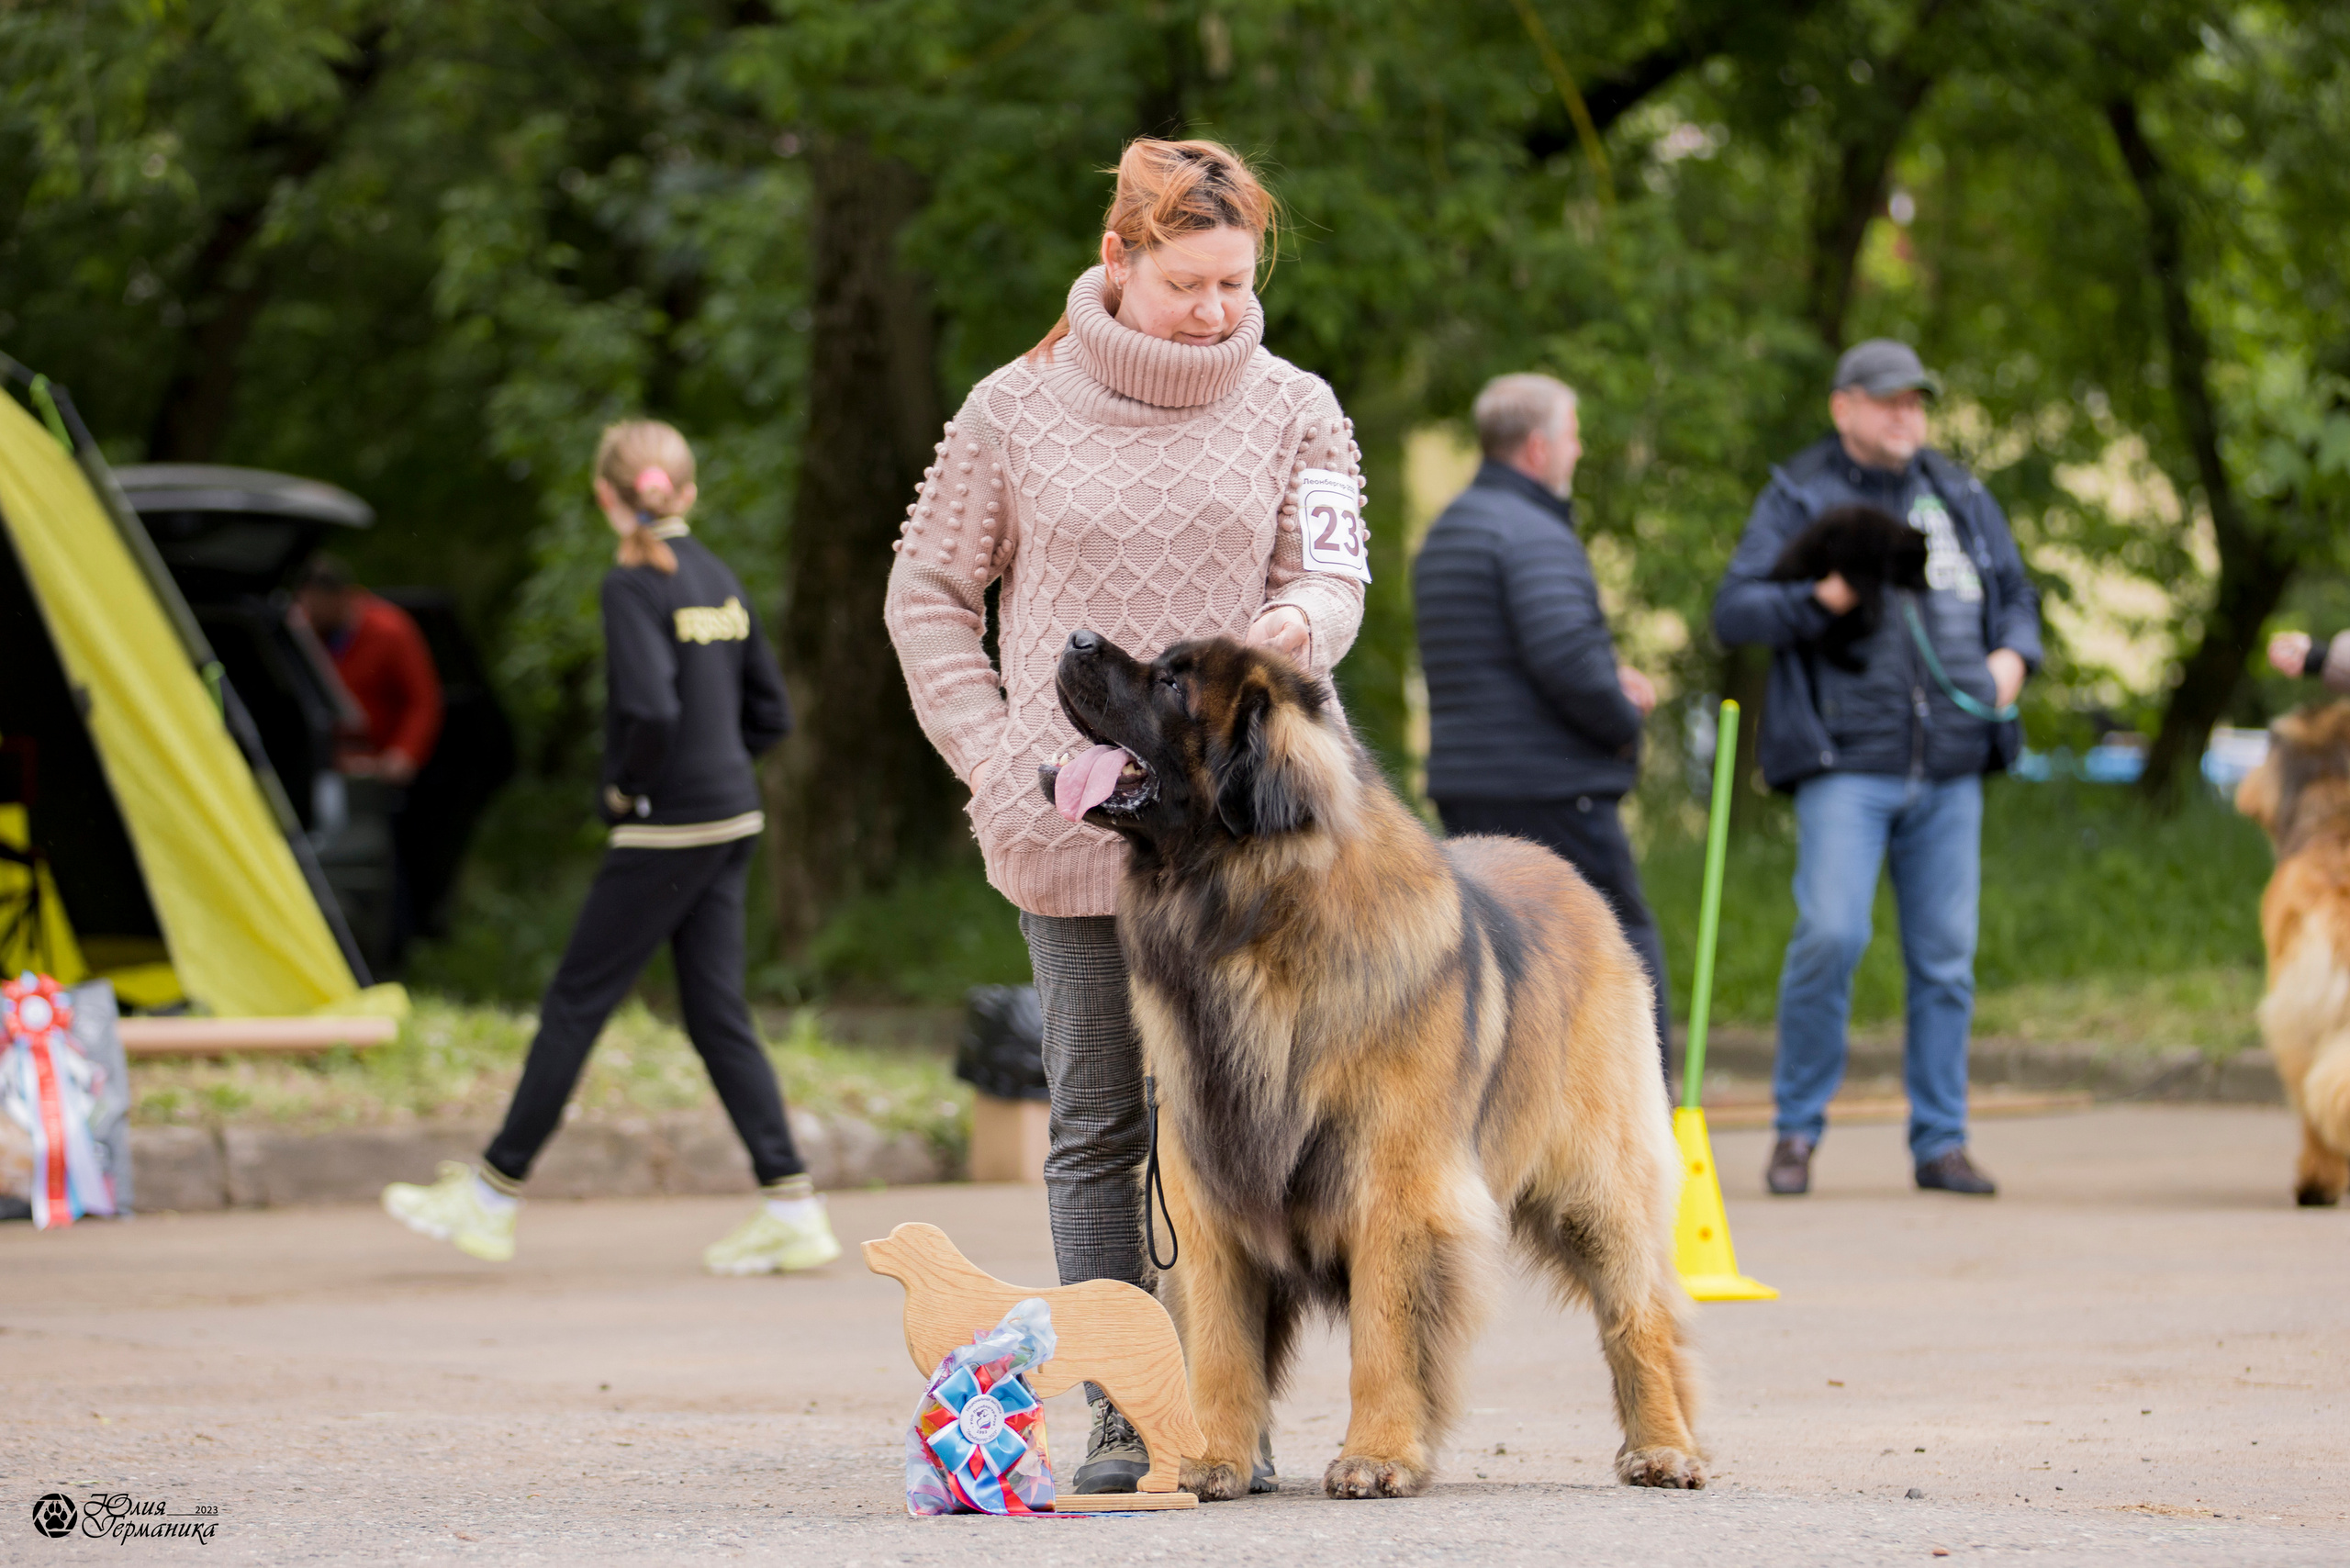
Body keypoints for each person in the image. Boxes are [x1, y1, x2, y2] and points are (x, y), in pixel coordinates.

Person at [885, 139, 1365, 1495]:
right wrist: (992, 754)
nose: (1214, 310)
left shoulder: (1299, 408)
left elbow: (1332, 578)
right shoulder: (1011, 410)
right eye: (1185, 284)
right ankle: (1124, 1411)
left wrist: (1297, 626)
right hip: (1076, 826)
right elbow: (926, 595)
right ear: (1119, 260)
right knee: (1099, 1122)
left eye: (1235, 284)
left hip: (1249, 839)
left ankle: (1230, 1408)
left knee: (1246, 1129)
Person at [381, 420, 830, 1275]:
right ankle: (793, 1207)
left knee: (575, 1003)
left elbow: (652, 710)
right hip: (733, 818)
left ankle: (490, 1196)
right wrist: (718, 768)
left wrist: (628, 789)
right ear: (687, 491)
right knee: (716, 1015)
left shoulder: (632, 584)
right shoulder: (718, 577)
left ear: (603, 494)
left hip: (668, 825)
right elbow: (771, 715)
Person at [1713, 339, 2041, 1199]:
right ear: (1844, 407)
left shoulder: (1959, 494)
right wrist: (1819, 599)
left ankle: (1941, 1142)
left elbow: (2018, 595)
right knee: (1831, 935)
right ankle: (1796, 1131)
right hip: (1845, 761)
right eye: (1889, 399)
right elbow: (1735, 609)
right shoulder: (1797, 496)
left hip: (1952, 763)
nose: (1907, 415)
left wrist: (2015, 659)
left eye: (1916, 401)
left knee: (1946, 960)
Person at [1414, 373, 1670, 1071]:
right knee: (1619, 946)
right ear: (1536, 447)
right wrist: (1624, 721)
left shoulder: (1451, 529)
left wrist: (1604, 675)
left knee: (1505, 966)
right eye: (1572, 436)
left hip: (1470, 784)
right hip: (1554, 789)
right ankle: (1641, 1107)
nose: (1577, 451)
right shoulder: (1533, 532)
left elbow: (1500, 655)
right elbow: (1568, 661)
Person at [295, 555, 443, 786]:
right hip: (328, 762)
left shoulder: (390, 631)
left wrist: (404, 753)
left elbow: (423, 700)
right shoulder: (303, 631)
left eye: (315, 608)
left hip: (380, 765)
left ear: (341, 596)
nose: (309, 615)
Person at [2267, 631, 2350, 691]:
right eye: (2283, 666)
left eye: (2291, 651)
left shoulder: (2343, 643)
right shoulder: (2332, 683)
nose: (2289, 662)